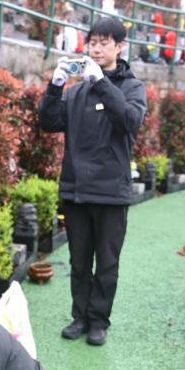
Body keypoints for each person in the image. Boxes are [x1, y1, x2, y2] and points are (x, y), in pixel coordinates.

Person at [38, 17, 147, 346]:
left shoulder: (131, 87)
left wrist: (101, 82)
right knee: (79, 260)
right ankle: (80, 316)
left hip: (111, 192)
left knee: (107, 263)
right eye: (92, 43)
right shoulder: (77, 91)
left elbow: (129, 120)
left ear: (119, 46)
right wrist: (55, 86)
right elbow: (48, 122)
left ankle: (99, 320)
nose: (96, 49)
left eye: (104, 43)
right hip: (77, 190)